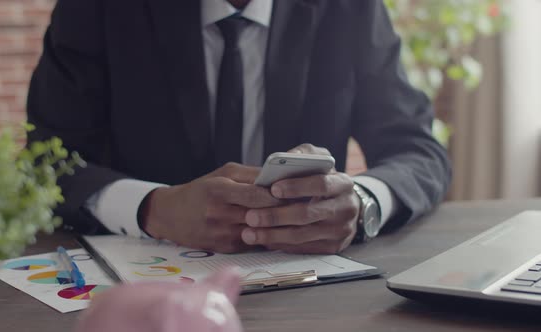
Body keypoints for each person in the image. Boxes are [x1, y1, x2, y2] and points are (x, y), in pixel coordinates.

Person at [27, 0, 452, 254]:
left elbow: (418, 150)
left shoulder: (349, 9)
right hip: (143, 293)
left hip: (302, 294)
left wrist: (362, 203)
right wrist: (152, 209)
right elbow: (46, 158)